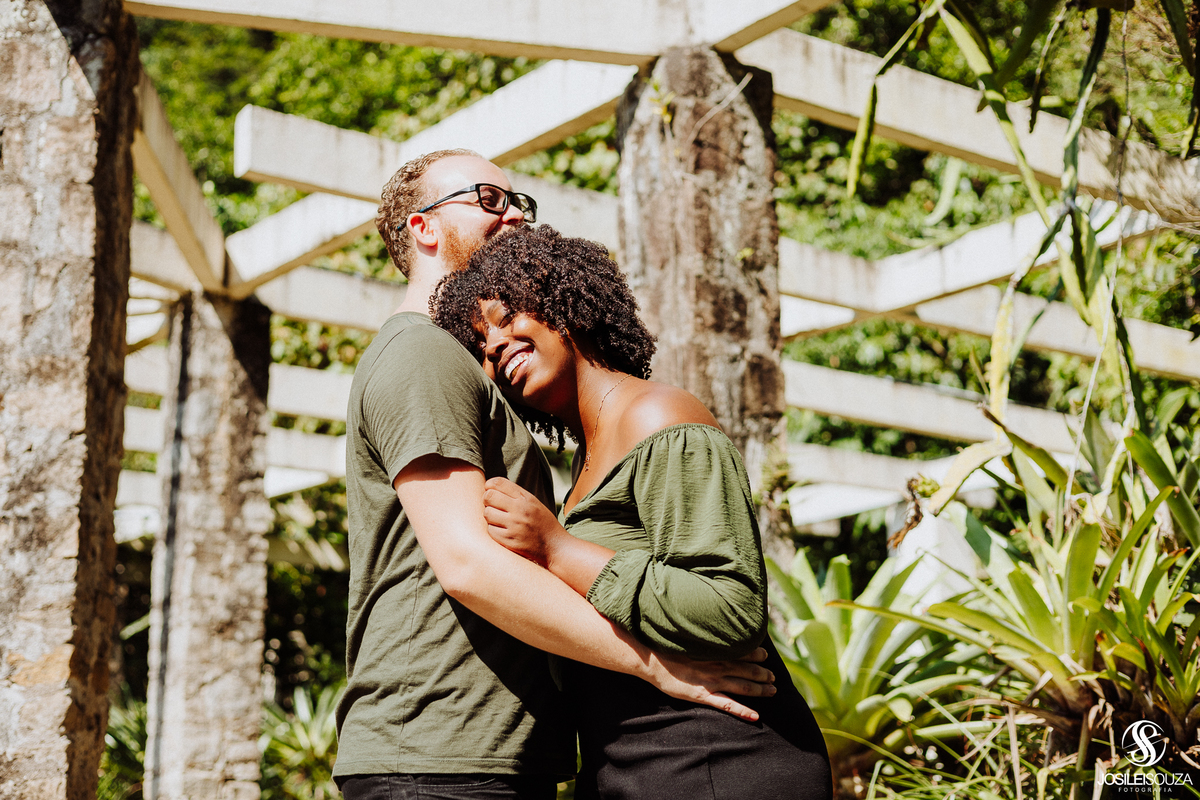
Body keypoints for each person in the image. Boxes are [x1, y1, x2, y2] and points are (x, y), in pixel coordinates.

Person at [335, 150, 776, 800]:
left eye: (520, 202)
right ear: (423, 227)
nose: (513, 212)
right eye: (487, 198)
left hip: (493, 756)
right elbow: (466, 562)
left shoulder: (474, 372)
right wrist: (655, 667)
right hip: (440, 758)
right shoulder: (423, 352)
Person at [432, 224, 834, 800]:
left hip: (718, 758)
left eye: (505, 318)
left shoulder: (659, 416)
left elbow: (730, 605)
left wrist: (558, 549)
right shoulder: (583, 462)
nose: (494, 346)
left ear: (563, 302)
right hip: (634, 765)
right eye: (481, 345)